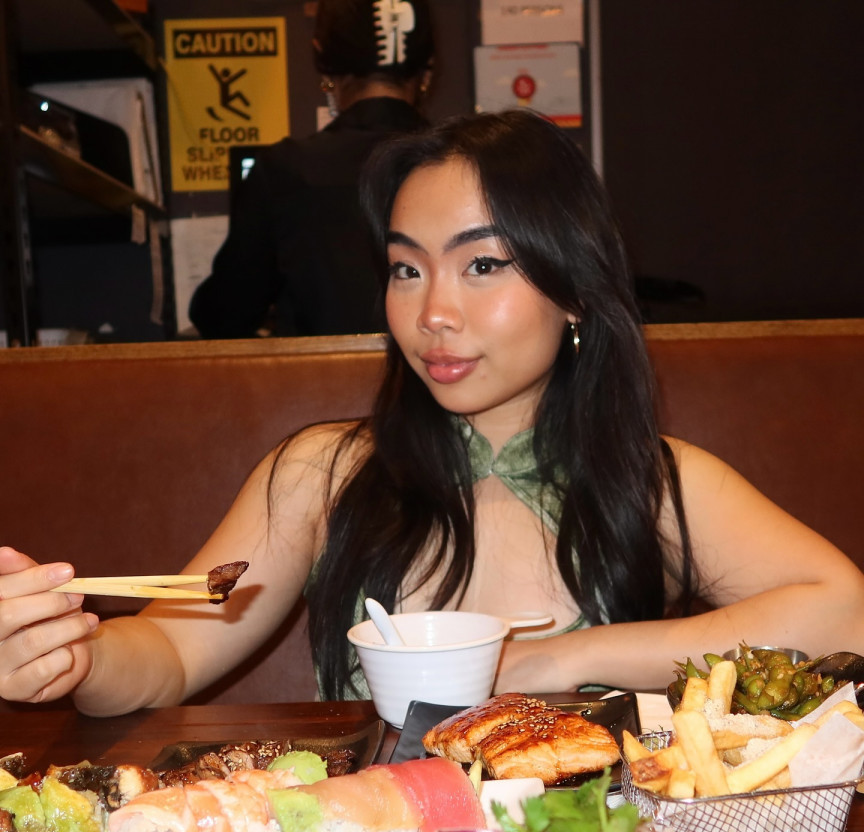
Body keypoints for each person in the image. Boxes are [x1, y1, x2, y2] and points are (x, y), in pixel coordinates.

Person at [3, 109, 864, 716]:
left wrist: (556, 660)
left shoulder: (651, 479)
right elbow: (167, 653)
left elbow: (844, 612)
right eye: (407, 269)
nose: (433, 313)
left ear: (574, 288)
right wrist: (75, 657)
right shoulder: (321, 474)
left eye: (482, 266)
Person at [188, 0, 435, 339]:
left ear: (323, 64)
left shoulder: (284, 170)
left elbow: (223, 314)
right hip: (436, 371)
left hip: (320, 372)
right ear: (428, 70)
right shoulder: (464, 162)